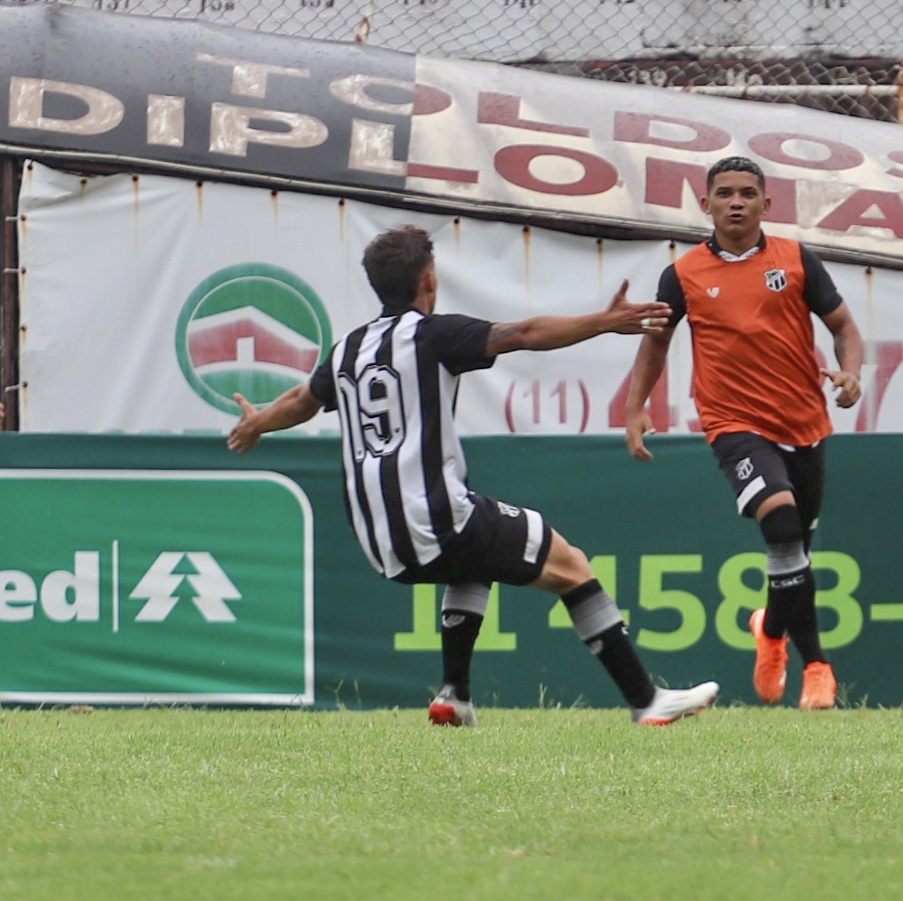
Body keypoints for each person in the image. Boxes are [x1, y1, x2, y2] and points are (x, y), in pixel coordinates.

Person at [228, 225, 718, 728]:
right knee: (572, 566)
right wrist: (604, 321)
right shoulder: (432, 334)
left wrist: (257, 422)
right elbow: (524, 334)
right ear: (428, 279)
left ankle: (454, 696)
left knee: (473, 563)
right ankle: (646, 700)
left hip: (378, 540)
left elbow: (303, 400)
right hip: (435, 519)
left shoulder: (346, 351)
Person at [623, 155, 864, 710]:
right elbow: (657, 343)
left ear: (765, 204)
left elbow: (844, 327)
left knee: (793, 550)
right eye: (725, 193)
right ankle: (818, 666)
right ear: (705, 203)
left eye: (747, 193)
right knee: (780, 522)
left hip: (804, 422)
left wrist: (850, 372)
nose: (736, 202)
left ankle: (771, 629)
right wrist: (635, 408)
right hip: (733, 422)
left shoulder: (796, 259)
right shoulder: (682, 274)